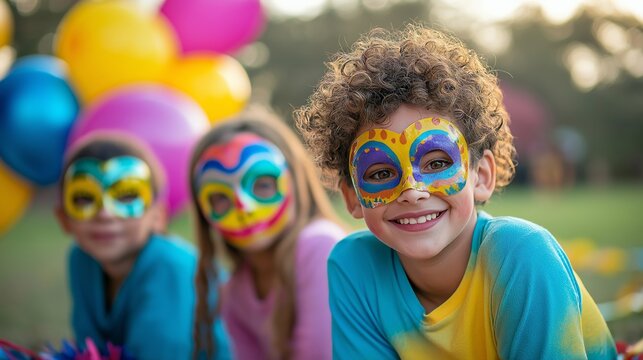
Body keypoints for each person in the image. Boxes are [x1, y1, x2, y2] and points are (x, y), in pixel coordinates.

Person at [294, 25, 617, 359]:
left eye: (436, 163)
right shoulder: (353, 267)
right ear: (352, 197)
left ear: (481, 175)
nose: (412, 191)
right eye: (381, 172)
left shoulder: (523, 256)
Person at [55, 132, 231, 360]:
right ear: (63, 218)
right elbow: (89, 351)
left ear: (158, 216)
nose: (105, 214)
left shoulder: (170, 267)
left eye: (127, 196)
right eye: (84, 198)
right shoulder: (81, 260)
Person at [190, 109, 346, 360]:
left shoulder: (321, 246)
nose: (244, 207)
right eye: (220, 196)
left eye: (262, 184)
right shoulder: (236, 289)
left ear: (295, 179)